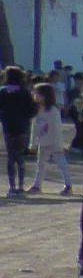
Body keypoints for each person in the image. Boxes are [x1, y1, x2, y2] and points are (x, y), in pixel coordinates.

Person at [28, 83, 73, 194]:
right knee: (40, 165)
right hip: (42, 142)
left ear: (45, 96)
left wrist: (58, 145)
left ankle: (68, 185)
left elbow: (56, 130)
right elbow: (35, 129)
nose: (34, 95)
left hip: (53, 143)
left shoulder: (53, 111)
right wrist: (33, 144)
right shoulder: (37, 110)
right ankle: (37, 185)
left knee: (62, 164)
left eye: (37, 93)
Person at [0, 66, 33, 196]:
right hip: (22, 126)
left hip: (8, 126)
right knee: (20, 157)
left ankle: (12, 186)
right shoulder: (25, 92)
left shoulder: (2, 92)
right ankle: (21, 186)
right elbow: (32, 110)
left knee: (10, 156)